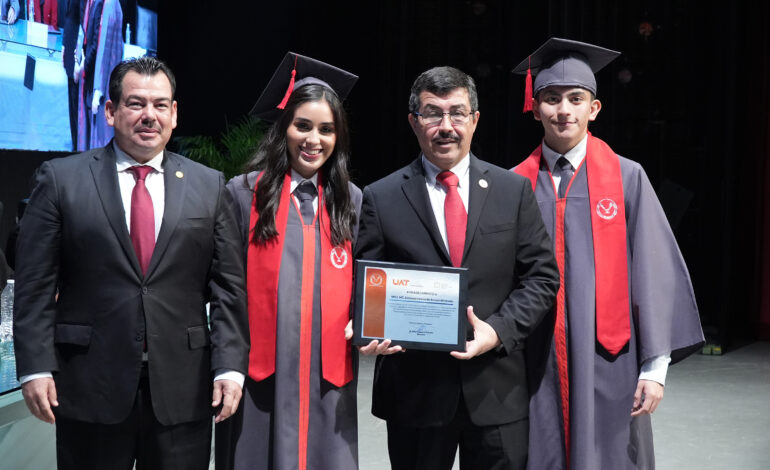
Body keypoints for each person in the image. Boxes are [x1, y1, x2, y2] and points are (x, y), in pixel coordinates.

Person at [13, 56, 250, 470]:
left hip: (183, 388)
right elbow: (33, 286)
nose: (149, 116)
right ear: (111, 111)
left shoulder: (208, 185)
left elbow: (229, 288)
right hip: (89, 384)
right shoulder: (60, 179)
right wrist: (34, 368)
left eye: (161, 105)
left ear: (174, 114)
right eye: (136, 103)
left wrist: (230, 367)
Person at [511, 37, 704, 470]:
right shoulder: (512, 185)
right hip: (534, 364)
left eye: (576, 99)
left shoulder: (626, 177)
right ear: (535, 106)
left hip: (609, 361)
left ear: (593, 108)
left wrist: (655, 370)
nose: (564, 110)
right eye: (552, 98)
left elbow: (654, 275)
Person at [355, 66, 560, 469]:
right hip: (416, 392)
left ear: (475, 120)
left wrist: (496, 332)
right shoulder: (381, 197)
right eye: (433, 114)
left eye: (457, 113)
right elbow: (368, 284)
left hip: (497, 388)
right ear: (414, 122)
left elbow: (541, 277)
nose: (445, 126)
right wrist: (371, 327)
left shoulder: (511, 190)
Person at [216, 52, 361, 470]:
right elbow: (227, 287)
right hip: (259, 374)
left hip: (326, 378)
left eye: (327, 129)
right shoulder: (244, 194)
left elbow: (365, 285)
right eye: (303, 126)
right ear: (284, 128)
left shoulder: (351, 201)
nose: (314, 139)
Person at [88, 0, 122, 149]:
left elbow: (104, 49)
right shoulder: (116, 5)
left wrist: (98, 89)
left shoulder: (109, 5)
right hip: (111, 80)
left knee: (101, 139)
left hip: (105, 84)